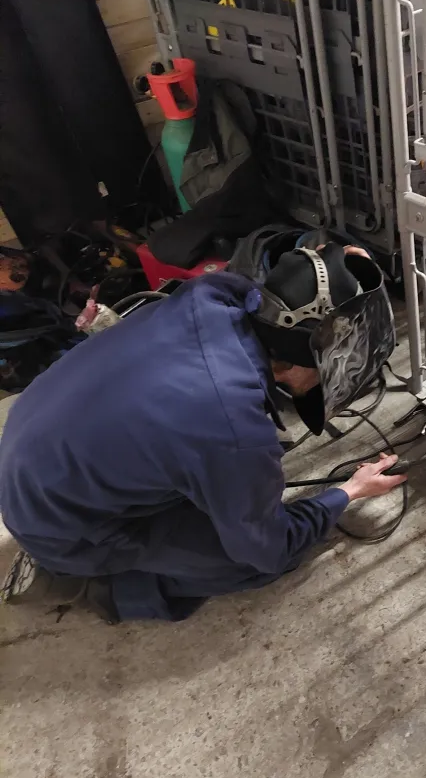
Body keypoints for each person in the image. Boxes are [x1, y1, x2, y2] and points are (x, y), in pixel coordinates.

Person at [0, 242, 405, 623]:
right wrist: (347, 492)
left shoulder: (208, 297)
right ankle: (101, 588)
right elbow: (271, 545)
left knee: (212, 485)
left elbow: (292, 276)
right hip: (58, 526)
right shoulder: (231, 427)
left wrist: (335, 265)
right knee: (251, 561)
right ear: (304, 352)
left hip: (30, 453)